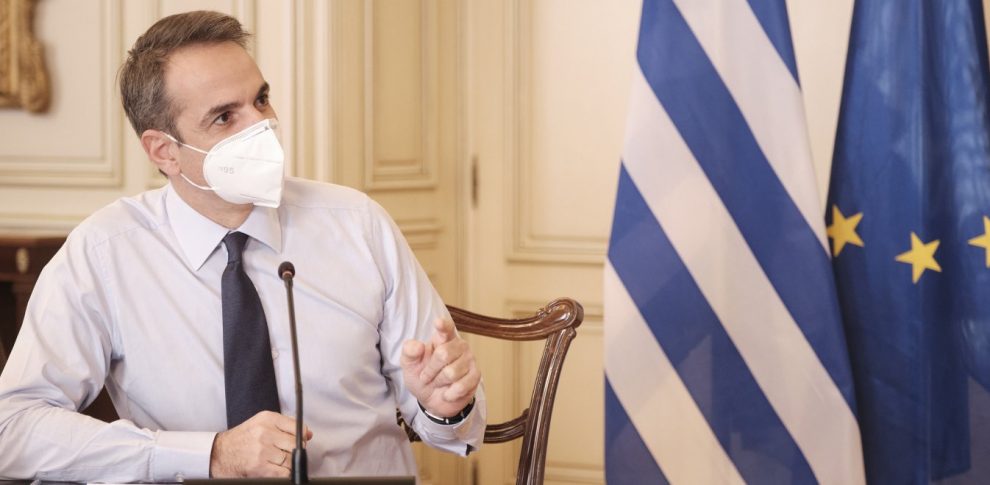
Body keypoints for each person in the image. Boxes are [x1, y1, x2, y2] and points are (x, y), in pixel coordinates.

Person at [0, 10, 484, 481]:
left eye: (261, 99)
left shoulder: (358, 224)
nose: (260, 126)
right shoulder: (104, 253)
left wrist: (444, 407)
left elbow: (456, 424)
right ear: (164, 151)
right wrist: (209, 455)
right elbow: (12, 430)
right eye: (225, 117)